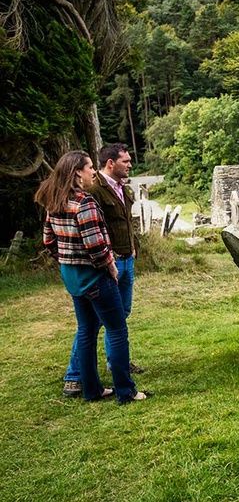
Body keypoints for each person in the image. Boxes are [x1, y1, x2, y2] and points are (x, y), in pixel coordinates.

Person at [35, 150, 146, 403]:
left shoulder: (55, 202)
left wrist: (67, 260)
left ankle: (92, 390)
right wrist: (110, 266)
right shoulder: (84, 203)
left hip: (73, 279)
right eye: (89, 168)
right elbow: (96, 246)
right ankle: (126, 392)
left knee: (86, 330)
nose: (93, 172)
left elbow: (49, 241)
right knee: (117, 330)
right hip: (96, 277)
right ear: (77, 173)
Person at [84, 143, 144, 375]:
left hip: (127, 259)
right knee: (99, 319)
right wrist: (107, 259)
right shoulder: (95, 191)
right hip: (110, 262)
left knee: (122, 314)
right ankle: (76, 374)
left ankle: (117, 362)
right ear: (111, 163)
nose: (130, 165)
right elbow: (93, 229)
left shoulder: (121, 187)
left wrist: (132, 248)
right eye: (125, 161)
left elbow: (125, 222)